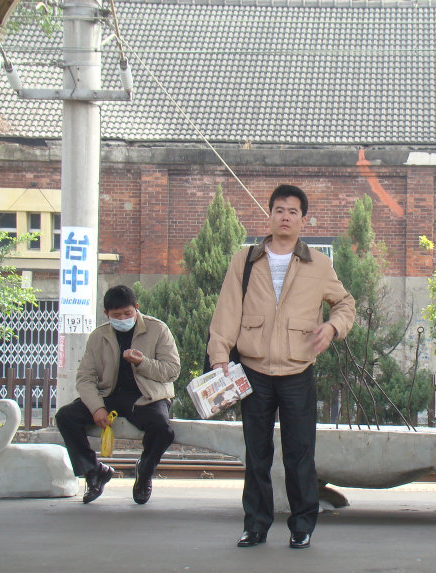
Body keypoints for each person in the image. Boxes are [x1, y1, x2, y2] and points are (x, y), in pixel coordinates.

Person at [208, 184, 355, 549]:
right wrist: (219, 357)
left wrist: (333, 327)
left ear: (303, 220)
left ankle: (302, 524)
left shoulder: (318, 264)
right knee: (256, 454)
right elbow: (227, 311)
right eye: (279, 210)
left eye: (292, 211)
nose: (285, 216)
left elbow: (345, 304)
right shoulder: (244, 260)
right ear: (269, 215)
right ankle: (255, 525)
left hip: (296, 372)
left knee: (300, 454)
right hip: (253, 372)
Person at [55, 285, 180, 505]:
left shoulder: (157, 329)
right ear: (107, 314)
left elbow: (172, 370)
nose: (122, 318)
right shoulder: (99, 336)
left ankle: (145, 471)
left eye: (127, 313)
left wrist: (142, 362)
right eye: (116, 315)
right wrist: (97, 407)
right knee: (66, 416)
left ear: (137, 308)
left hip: (146, 397)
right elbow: (85, 378)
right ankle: (94, 471)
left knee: (162, 429)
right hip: (109, 395)